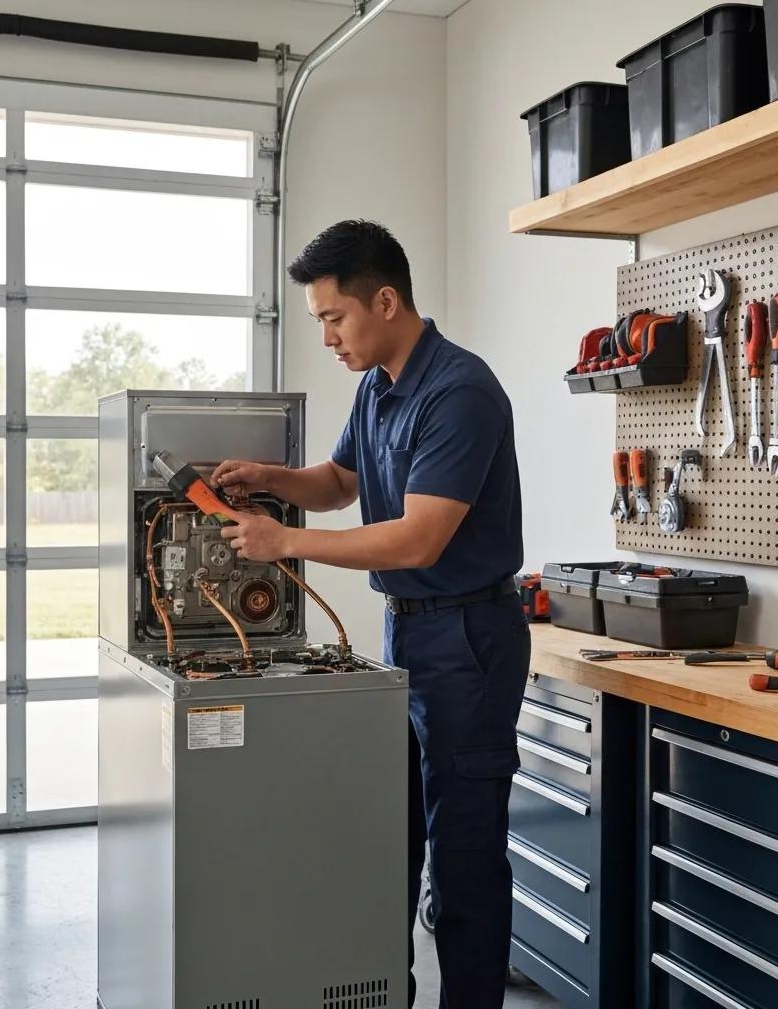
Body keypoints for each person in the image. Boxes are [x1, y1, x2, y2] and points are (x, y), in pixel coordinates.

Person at [212, 220, 530, 1008]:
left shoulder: (460, 391)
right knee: (393, 843)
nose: (326, 336)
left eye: (333, 318)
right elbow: (341, 481)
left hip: (468, 642)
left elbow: (420, 537)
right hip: (408, 634)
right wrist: (275, 479)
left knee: (462, 863)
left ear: (385, 301)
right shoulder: (378, 386)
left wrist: (285, 541)